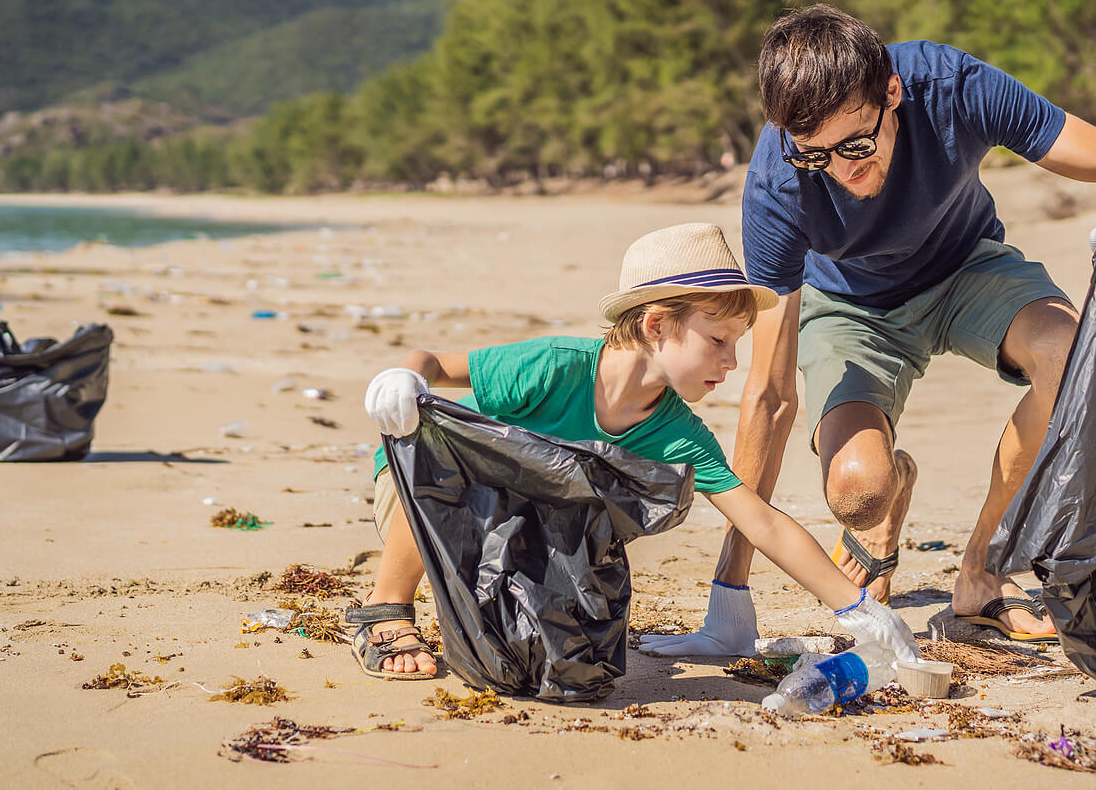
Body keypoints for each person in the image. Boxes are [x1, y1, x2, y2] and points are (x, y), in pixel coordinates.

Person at [639, 4, 1096, 660]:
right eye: (816, 155)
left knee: (1071, 353)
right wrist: (729, 596)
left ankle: (981, 569)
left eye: (857, 143)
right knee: (856, 491)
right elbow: (770, 396)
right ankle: (888, 497)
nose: (841, 169)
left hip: (965, 267)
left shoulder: (951, 87)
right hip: (849, 307)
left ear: (892, 91)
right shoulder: (779, 183)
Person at [349, 221, 921, 680]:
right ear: (655, 325)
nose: (731, 363)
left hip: (525, 524)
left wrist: (857, 607)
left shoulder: (675, 431)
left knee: (569, 652)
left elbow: (762, 522)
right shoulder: (554, 366)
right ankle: (385, 611)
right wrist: (401, 381)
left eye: (736, 346)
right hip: (429, 497)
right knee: (441, 447)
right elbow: (432, 364)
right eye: (717, 341)